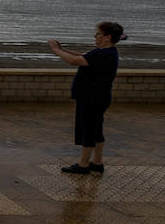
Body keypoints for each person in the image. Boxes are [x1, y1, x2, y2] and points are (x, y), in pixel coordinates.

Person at [48, 21, 125, 174]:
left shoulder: (103, 53)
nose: (95, 36)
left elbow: (73, 61)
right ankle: (97, 162)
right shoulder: (106, 52)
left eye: (98, 34)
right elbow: (82, 56)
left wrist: (56, 50)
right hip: (98, 97)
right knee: (96, 130)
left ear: (107, 37)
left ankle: (83, 165)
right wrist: (62, 49)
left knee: (88, 130)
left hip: (92, 98)